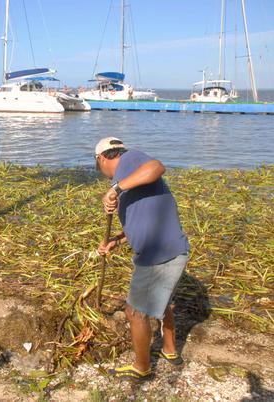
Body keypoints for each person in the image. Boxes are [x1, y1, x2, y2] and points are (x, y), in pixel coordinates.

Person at [95, 137, 189, 381]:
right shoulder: (130, 178)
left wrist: (115, 188)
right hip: (172, 249)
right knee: (163, 301)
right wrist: (117, 239)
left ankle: (142, 367)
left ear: (102, 158)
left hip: (158, 255)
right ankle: (169, 350)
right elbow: (142, 219)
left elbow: (157, 167)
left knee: (135, 312)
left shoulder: (129, 160)